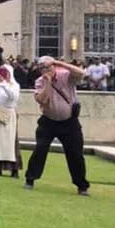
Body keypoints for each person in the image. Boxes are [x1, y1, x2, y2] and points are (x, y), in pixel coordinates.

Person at [25, 56, 90, 196]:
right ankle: (30, 179)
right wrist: (48, 83)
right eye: (42, 68)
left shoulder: (65, 76)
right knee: (40, 149)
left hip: (69, 122)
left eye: (47, 67)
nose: (45, 70)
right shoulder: (40, 82)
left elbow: (82, 73)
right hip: (48, 121)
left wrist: (58, 63)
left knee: (75, 154)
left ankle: (81, 185)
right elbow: (42, 101)